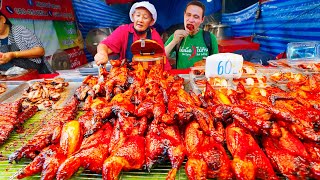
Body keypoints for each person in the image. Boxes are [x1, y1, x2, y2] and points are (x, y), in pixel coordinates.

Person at [94, 1, 171, 70]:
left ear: (151, 21)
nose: (140, 20)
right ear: (133, 16)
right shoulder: (123, 31)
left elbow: (163, 60)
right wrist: (102, 53)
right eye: (138, 15)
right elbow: (105, 45)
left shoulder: (154, 36)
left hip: (149, 79)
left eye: (145, 17)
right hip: (127, 78)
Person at [165, 0, 219, 69]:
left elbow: (216, 63)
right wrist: (174, 41)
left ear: (202, 20)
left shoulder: (210, 38)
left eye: (196, 17)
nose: (191, 20)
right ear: (184, 15)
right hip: (182, 78)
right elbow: (162, 56)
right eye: (188, 15)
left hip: (202, 78)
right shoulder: (176, 36)